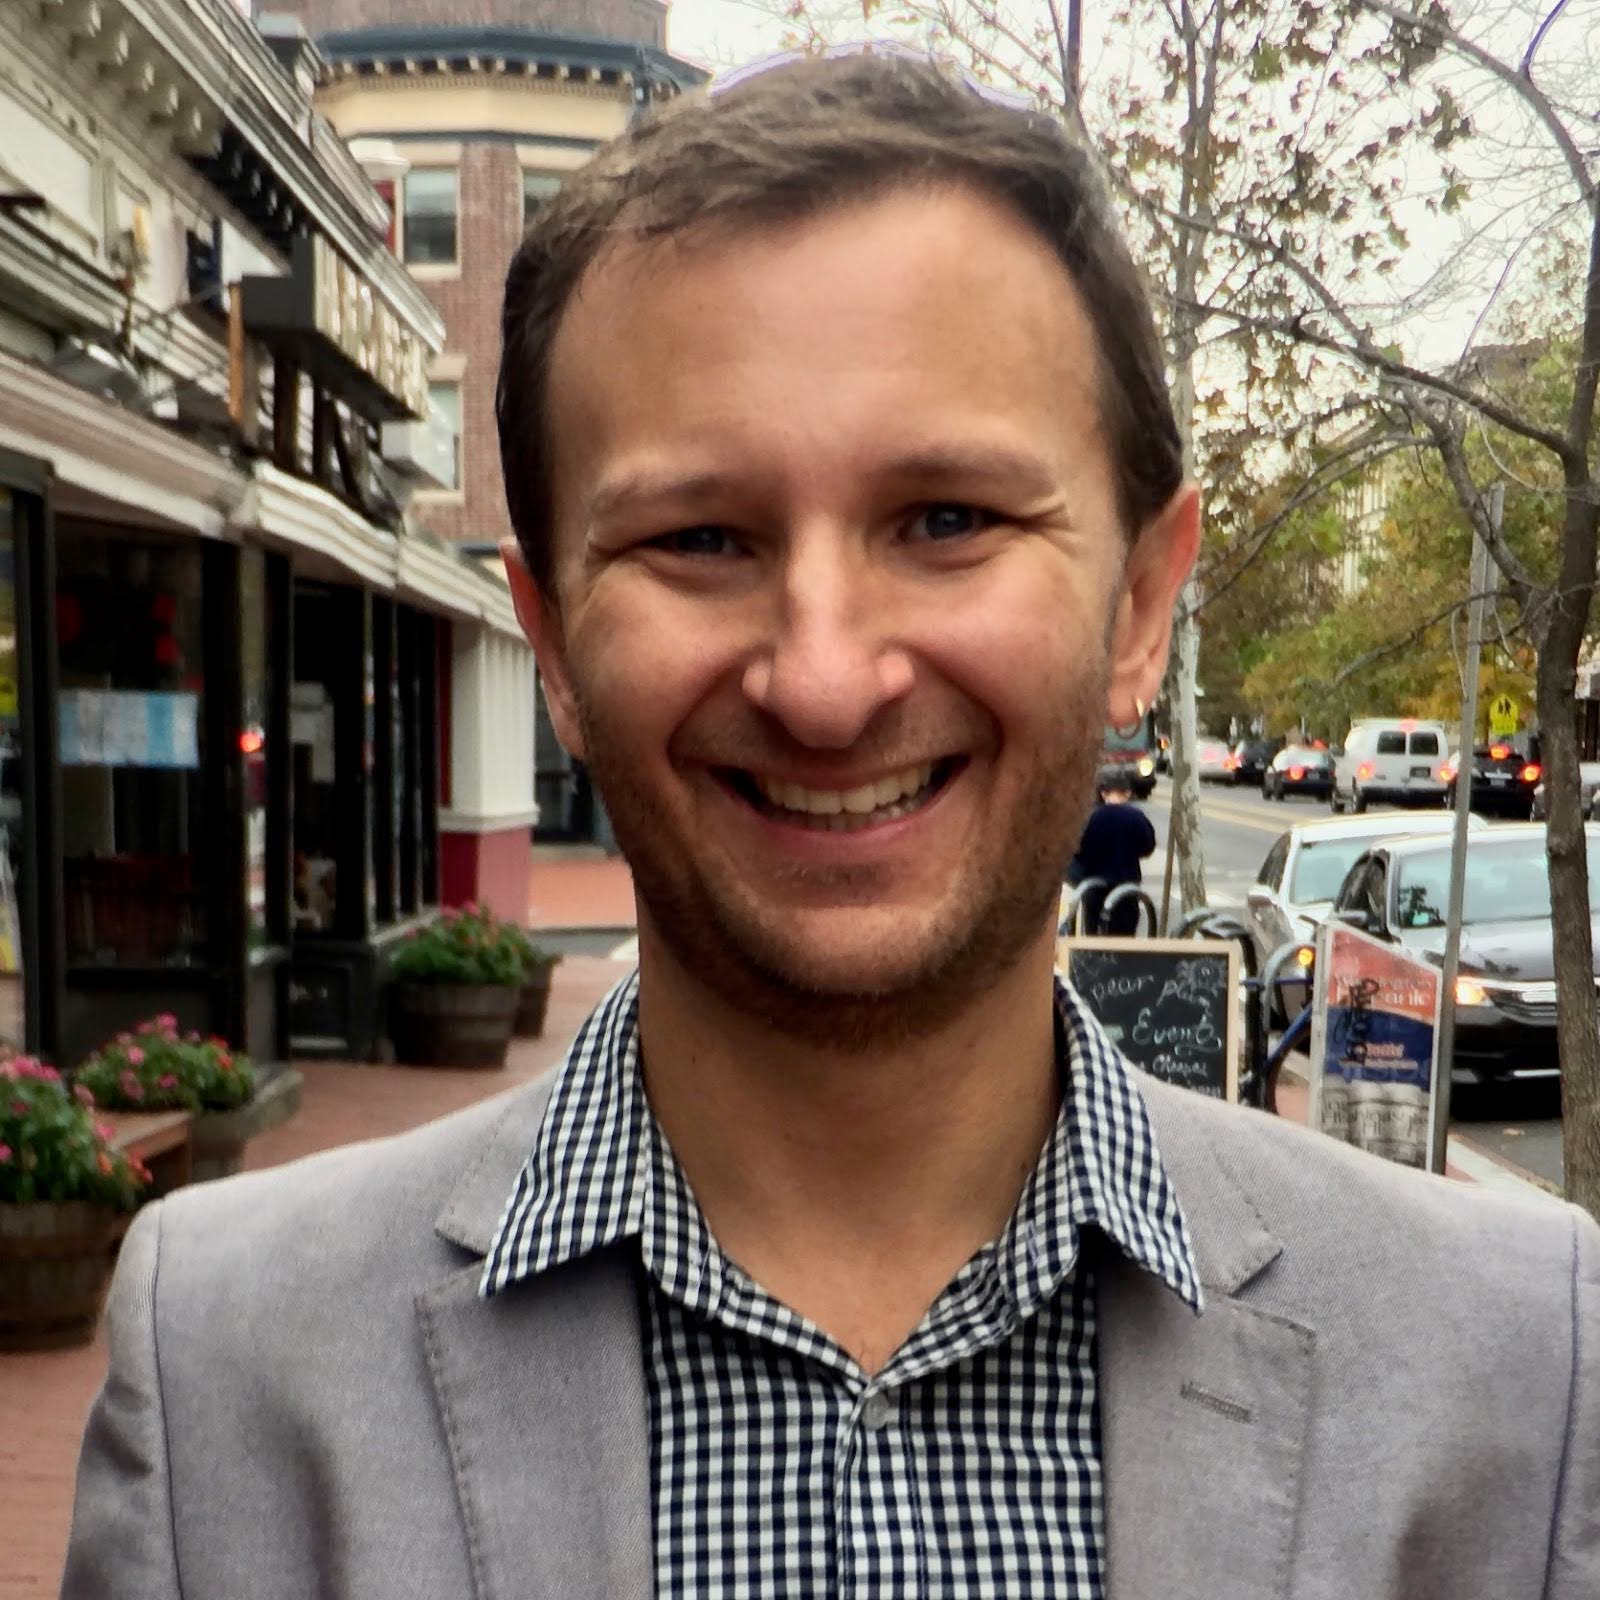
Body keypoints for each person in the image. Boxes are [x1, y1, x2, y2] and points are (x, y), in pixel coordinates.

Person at [64, 51, 1596, 1600]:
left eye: (948, 520)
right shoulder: (226, 1367)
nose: (823, 682)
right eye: (700, 537)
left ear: (1141, 602)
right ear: (556, 644)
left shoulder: (1523, 1373)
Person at [1067, 764, 1157, 934]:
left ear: (1103, 793)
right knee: (1123, 939)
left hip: (1095, 889)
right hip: (1127, 888)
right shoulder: (1137, 818)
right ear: (1127, 793)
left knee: (1095, 937)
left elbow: (1079, 851)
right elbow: (1147, 847)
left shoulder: (1092, 818)